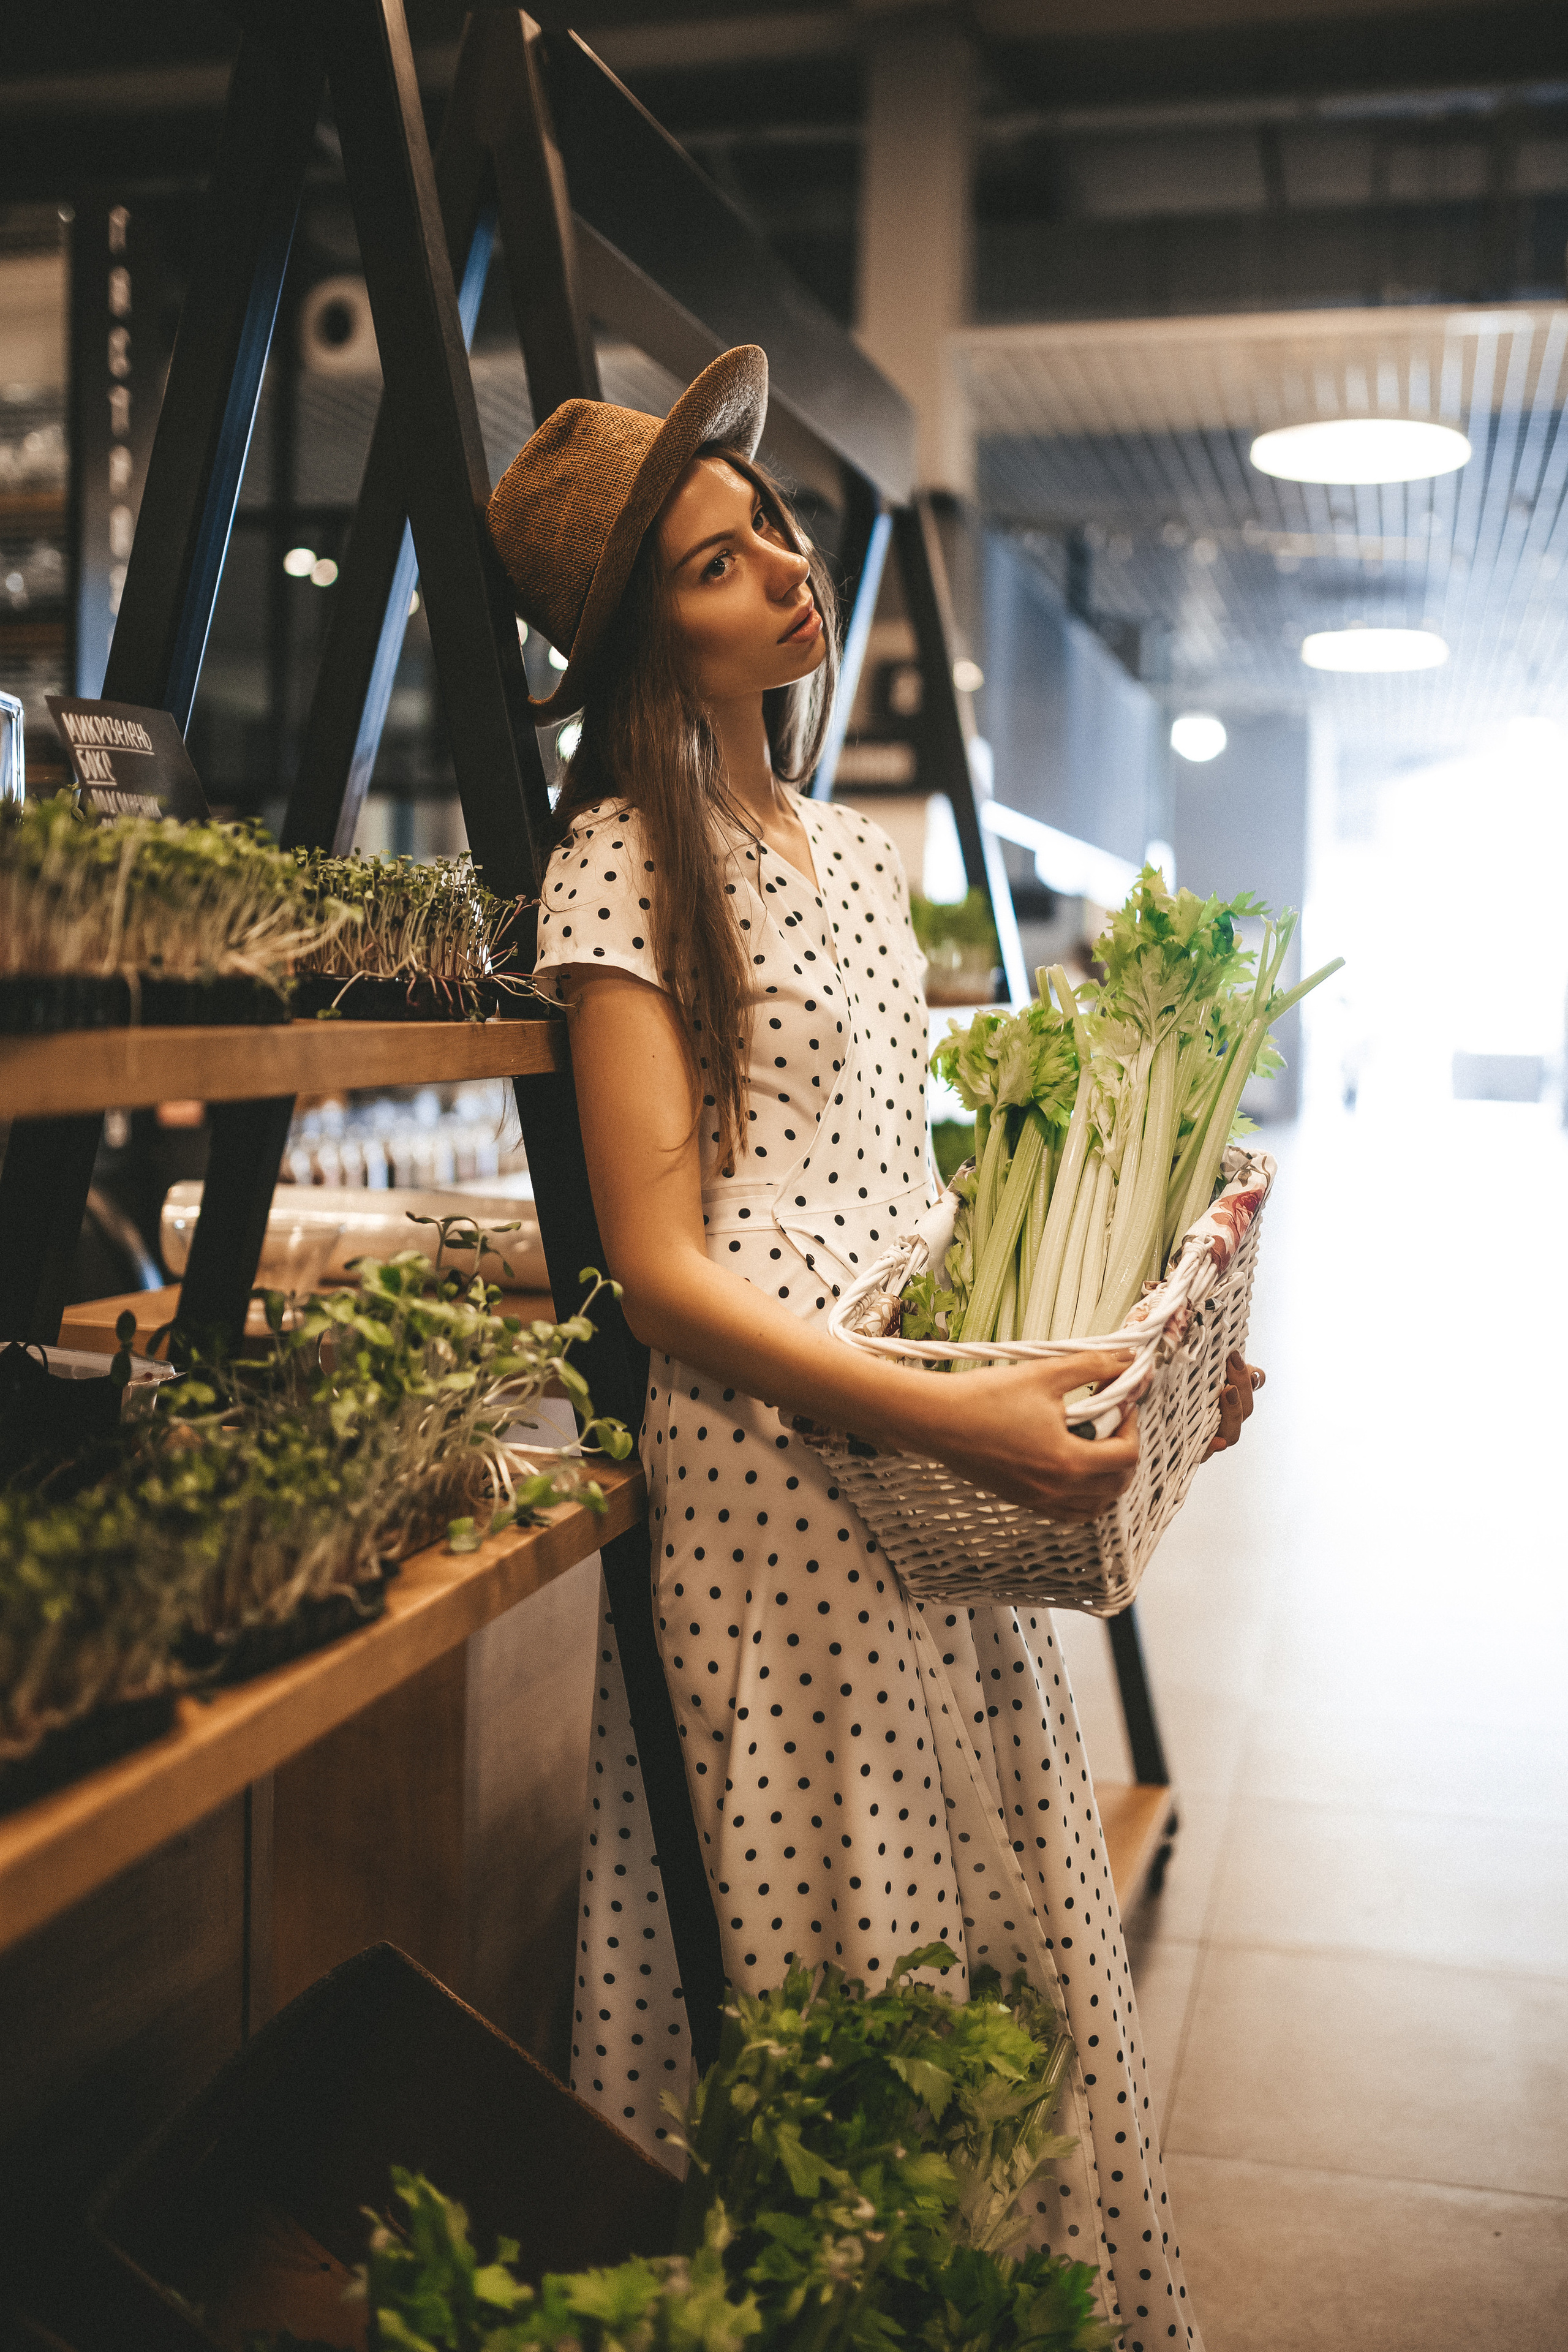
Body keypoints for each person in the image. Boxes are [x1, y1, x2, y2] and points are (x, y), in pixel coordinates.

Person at [489, 347, 1257, 2352]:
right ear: (636, 638)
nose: (778, 568)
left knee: (991, 1957)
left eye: (768, 529)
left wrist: (1113, 1382)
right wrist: (946, 1409)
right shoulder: (618, 864)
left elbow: (887, 1198)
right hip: (771, 1479)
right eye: (712, 562)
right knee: (836, 1967)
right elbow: (664, 1270)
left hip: (924, 1437)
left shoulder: (845, 848)